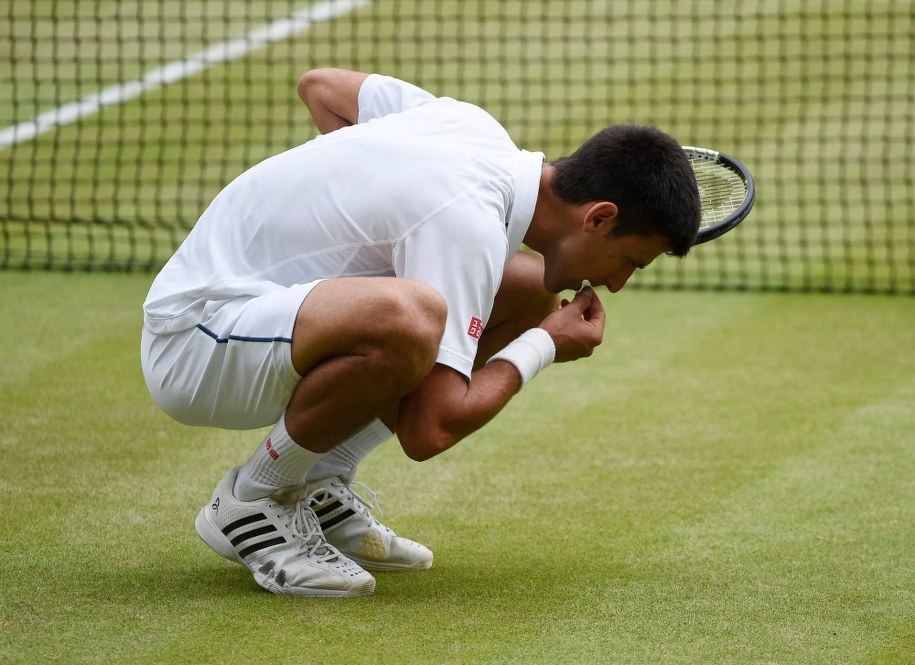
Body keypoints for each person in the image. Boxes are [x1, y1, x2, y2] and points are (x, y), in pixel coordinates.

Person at [140, 68, 701, 597]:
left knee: (527, 288)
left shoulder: (472, 126)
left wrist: (354, 218)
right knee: (409, 318)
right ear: (599, 217)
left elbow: (324, 88)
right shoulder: (469, 224)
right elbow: (429, 430)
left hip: (266, 317)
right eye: (629, 260)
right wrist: (545, 345)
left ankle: (320, 479)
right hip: (196, 340)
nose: (618, 283)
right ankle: (256, 497)